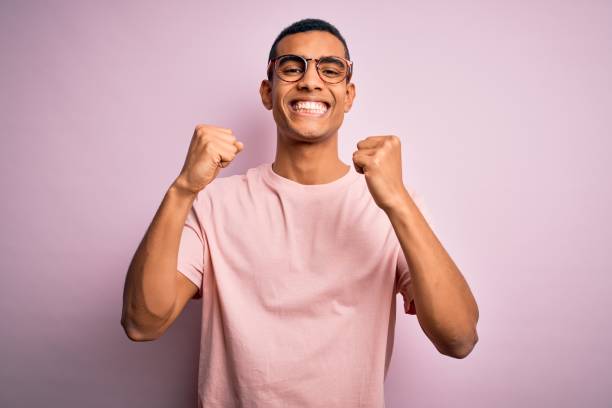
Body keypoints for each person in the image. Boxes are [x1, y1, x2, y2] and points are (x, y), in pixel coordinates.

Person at [121, 18, 479, 407]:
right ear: (267, 91)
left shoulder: (390, 204)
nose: (310, 81)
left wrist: (397, 202)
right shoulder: (212, 203)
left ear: (348, 94)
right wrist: (182, 189)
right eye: (292, 68)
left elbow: (458, 338)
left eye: (330, 69)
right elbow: (142, 323)